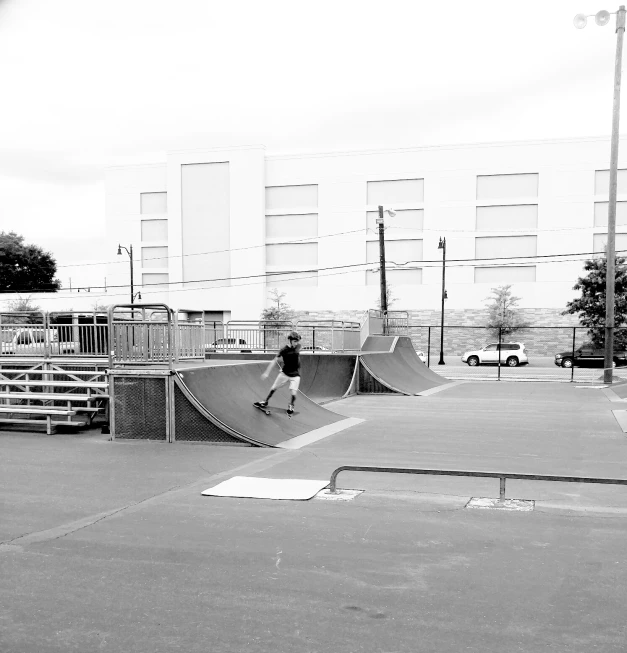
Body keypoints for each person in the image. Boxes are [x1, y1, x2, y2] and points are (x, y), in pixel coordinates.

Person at [255, 331, 302, 415]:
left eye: (297, 341)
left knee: (293, 393)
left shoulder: (298, 347)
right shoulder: (284, 350)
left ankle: (291, 405)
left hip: (295, 375)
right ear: (290, 341)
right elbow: (274, 360)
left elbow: (296, 356)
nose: (296, 343)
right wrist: (266, 372)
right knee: (273, 388)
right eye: (295, 341)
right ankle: (265, 401)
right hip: (284, 373)